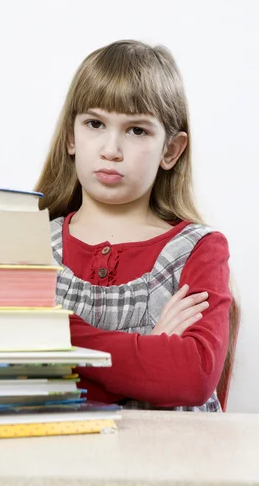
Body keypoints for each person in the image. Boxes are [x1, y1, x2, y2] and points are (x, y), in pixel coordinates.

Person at [35, 40, 238, 411]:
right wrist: (151, 351)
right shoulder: (27, 244)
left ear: (171, 151)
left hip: (165, 466)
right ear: (70, 136)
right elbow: (11, 380)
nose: (111, 148)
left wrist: (53, 338)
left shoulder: (200, 249)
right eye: (95, 124)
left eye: (137, 130)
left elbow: (191, 376)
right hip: (52, 463)